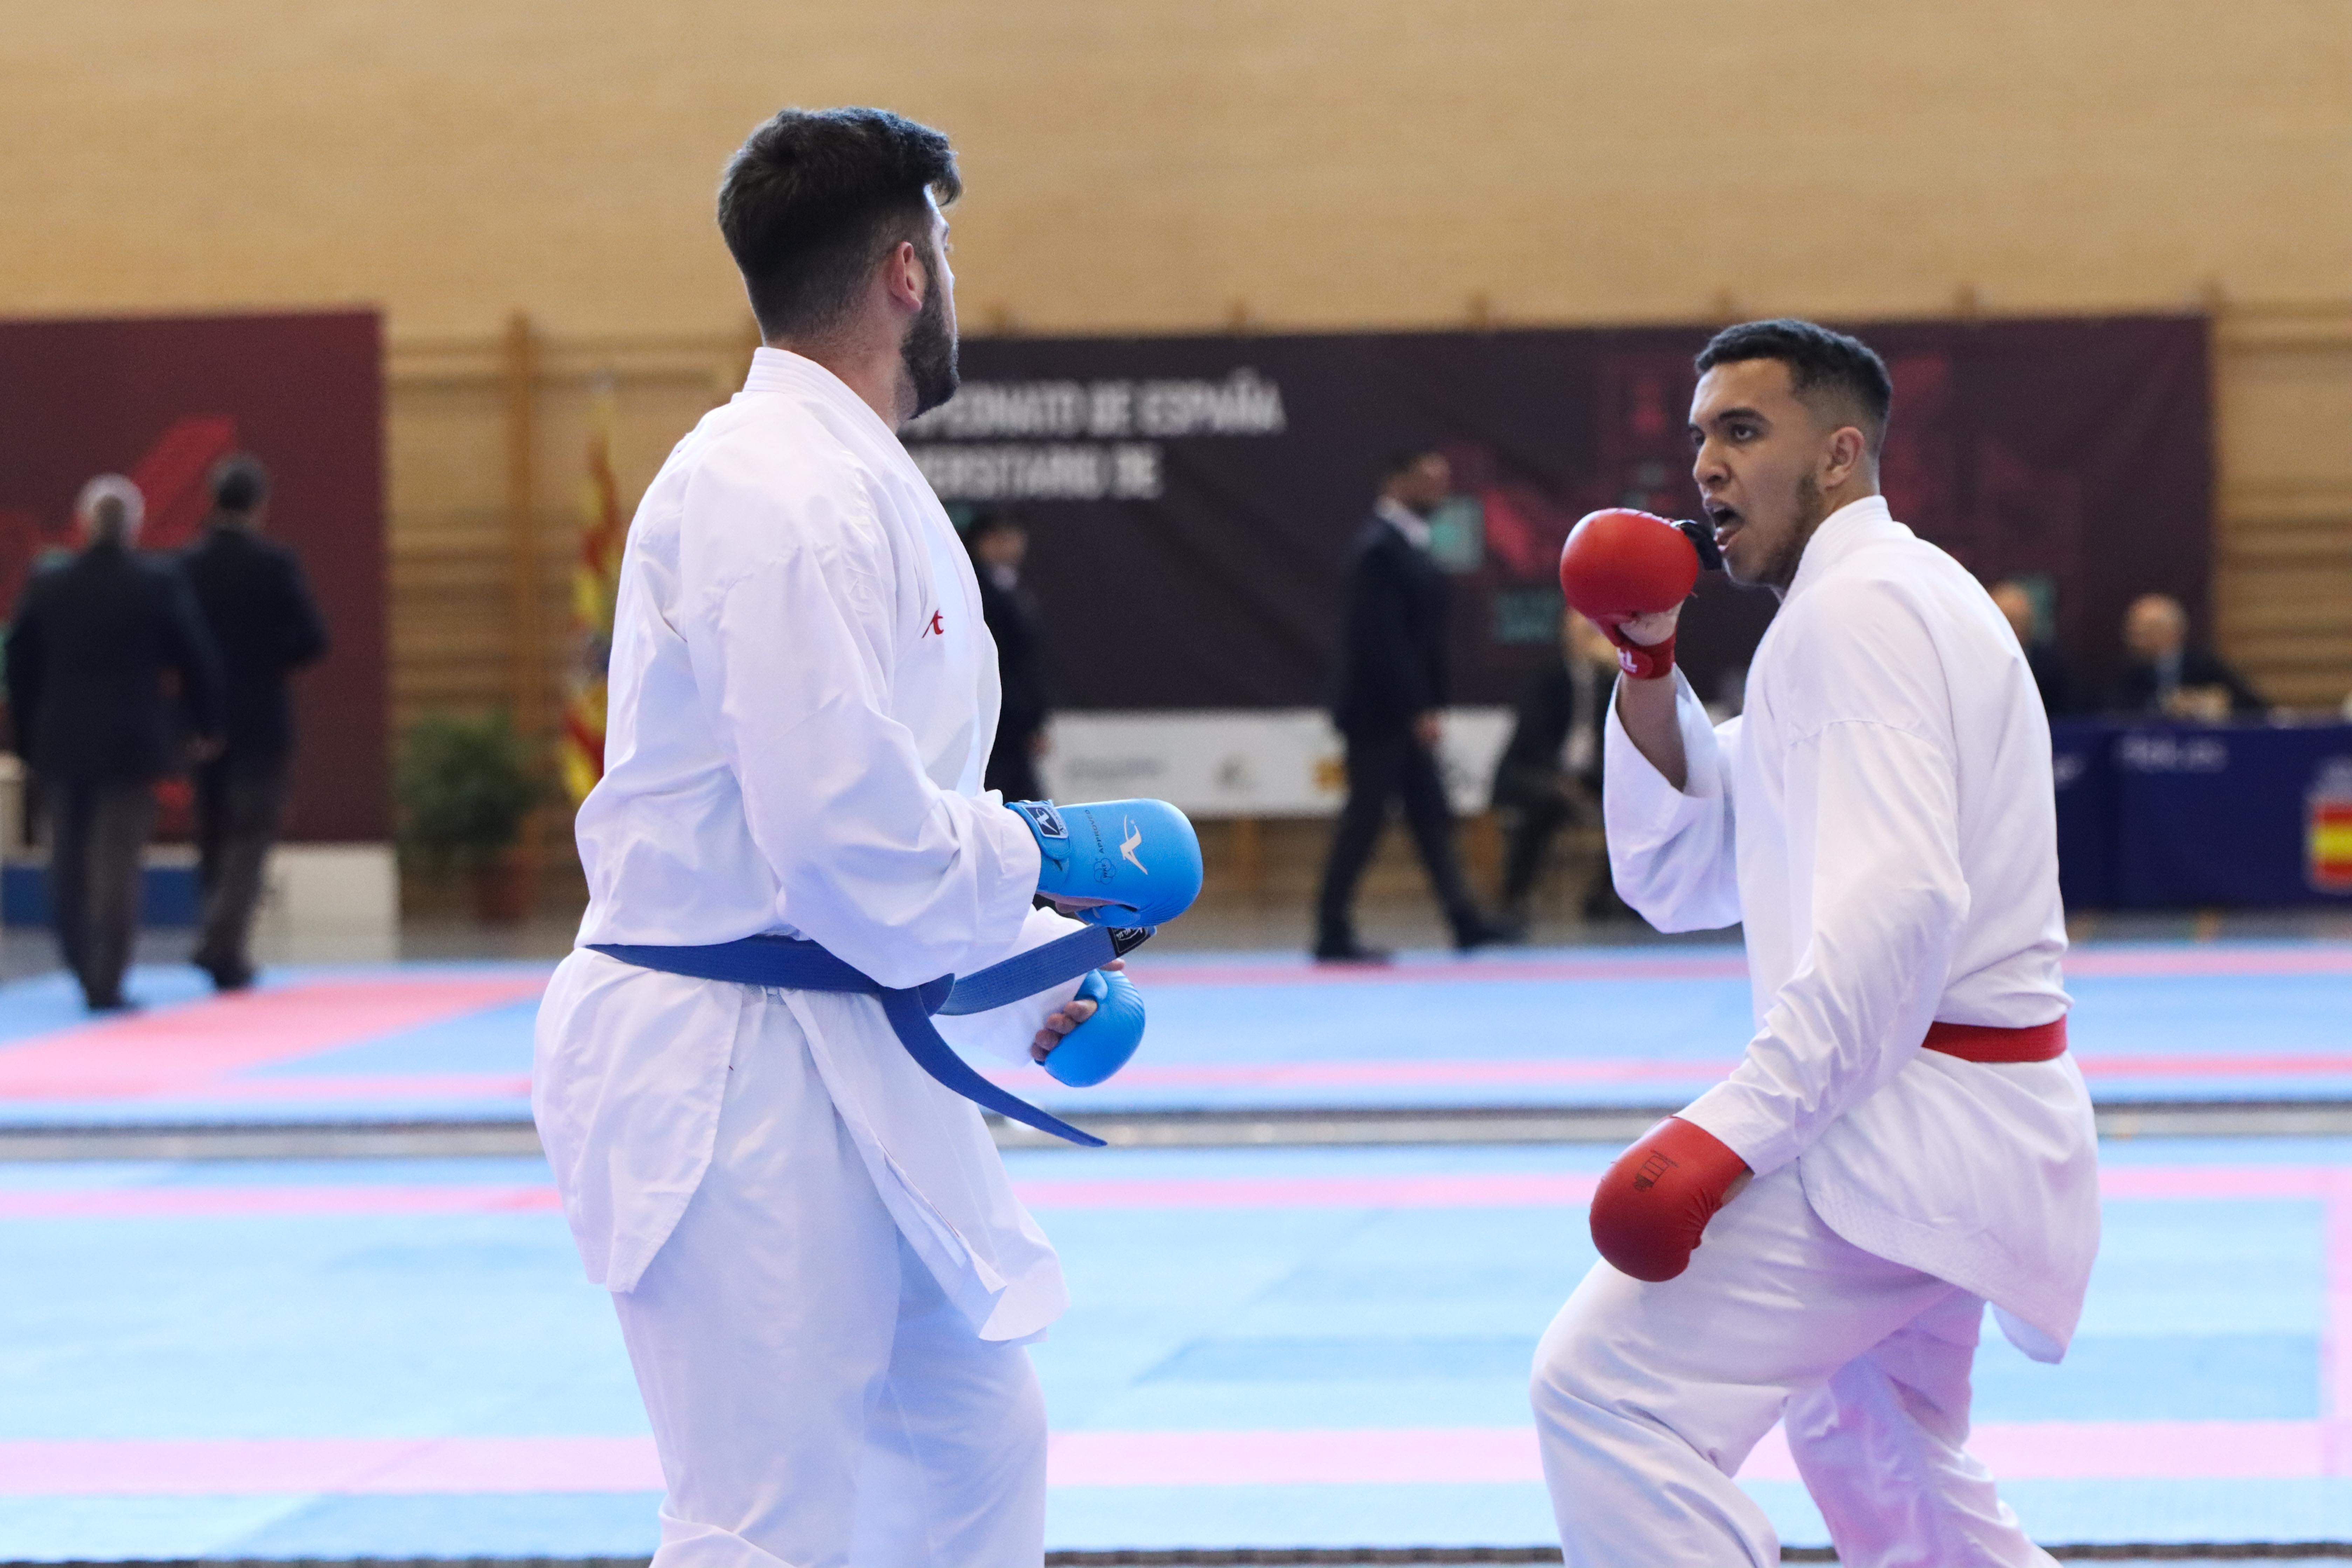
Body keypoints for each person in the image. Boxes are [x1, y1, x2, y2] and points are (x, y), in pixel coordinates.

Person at [531, 107, 1196, 1568]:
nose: (950, 281)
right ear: (907, 270)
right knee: (762, 1516)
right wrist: (1047, 851)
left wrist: (1031, 971)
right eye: (944, 251)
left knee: (969, 1448)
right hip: (724, 1067)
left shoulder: (843, 475)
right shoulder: (772, 489)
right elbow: (840, 839)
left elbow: (858, 832)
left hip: (833, 1036)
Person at [1535, 319, 2097, 1566]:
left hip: (1905, 1131)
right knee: (1876, 1445)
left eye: (1743, 430)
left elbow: (1899, 907)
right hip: (1954, 1120)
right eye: (1700, 437)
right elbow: (1693, 862)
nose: (1706, 465)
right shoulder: (1876, 602)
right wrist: (1646, 662)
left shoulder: (1861, 615)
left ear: (1840, 454)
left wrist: (1728, 1132)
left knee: (1603, 1389)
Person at [4, 476, 223, 1012]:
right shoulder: (157, 583)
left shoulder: (49, 584)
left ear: (83, 524)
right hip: (131, 742)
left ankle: (81, 961)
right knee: (117, 864)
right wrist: (204, 724)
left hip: (61, 743)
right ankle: (107, 978)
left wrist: (28, 736)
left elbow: (20, 665)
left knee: (67, 860)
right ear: (134, 527)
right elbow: (196, 657)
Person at [1314, 446, 1509, 962]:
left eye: (1443, 480)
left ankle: (1464, 921)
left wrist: (1427, 704)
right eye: (1427, 479)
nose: (1439, 490)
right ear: (1395, 482)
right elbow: (1383, 641)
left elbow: (1420, 640)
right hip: (1379, 713)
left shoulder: (1408, 544)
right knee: (1365, 818)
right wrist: (1416, 708)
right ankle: (1331, 929)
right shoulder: (1378, 549)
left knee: (1429, 816)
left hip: (1401, 709)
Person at [179, 455, 330, 991]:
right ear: (259, 505)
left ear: (211, 501)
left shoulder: (188, 565)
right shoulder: (274, 564)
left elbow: (176, 643)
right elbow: (312, 638)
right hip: (262, 717)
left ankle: (221, 945)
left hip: (204, 719)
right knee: (253, 832)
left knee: (213, 833)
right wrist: (265, 660)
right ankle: (222, 942)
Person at [1489, 611, 1623, 925]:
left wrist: (1621, 673)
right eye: (1586, 632)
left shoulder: (1609, 682)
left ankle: (1609, 894)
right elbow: (1533, 742)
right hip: (1538, 772)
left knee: (1632, 804)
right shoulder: (1546, 679)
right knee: (1546, 802)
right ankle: (1515, 896)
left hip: (1591, 776)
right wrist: (1562, 781)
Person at [965, 509, 1050, 801]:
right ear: (984, 542)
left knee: (1024, 804)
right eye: (1003, 538)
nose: (1013, 545)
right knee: (1001, 801)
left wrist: (1034, 721)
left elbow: (1030, 662)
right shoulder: (976, 590)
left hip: (1015, 722)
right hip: (995, 720)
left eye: (1015, 536)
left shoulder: (1010, 586)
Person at [2110, 591, 2263, 720]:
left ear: (2174, 631)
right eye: (2134, 632)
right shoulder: (2127, 670)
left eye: (2147, 631)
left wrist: (2206, 702)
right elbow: (2112, 710)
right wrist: (2164, 704)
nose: (2136, 639)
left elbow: (2254, 707)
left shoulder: (2204, 664)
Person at [1988, 578, 2078, 718]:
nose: (2017, 628)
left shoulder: (2050, 663)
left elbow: (2066, 713)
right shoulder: (1982, 662)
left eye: (2023, 620)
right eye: (2010, 620)